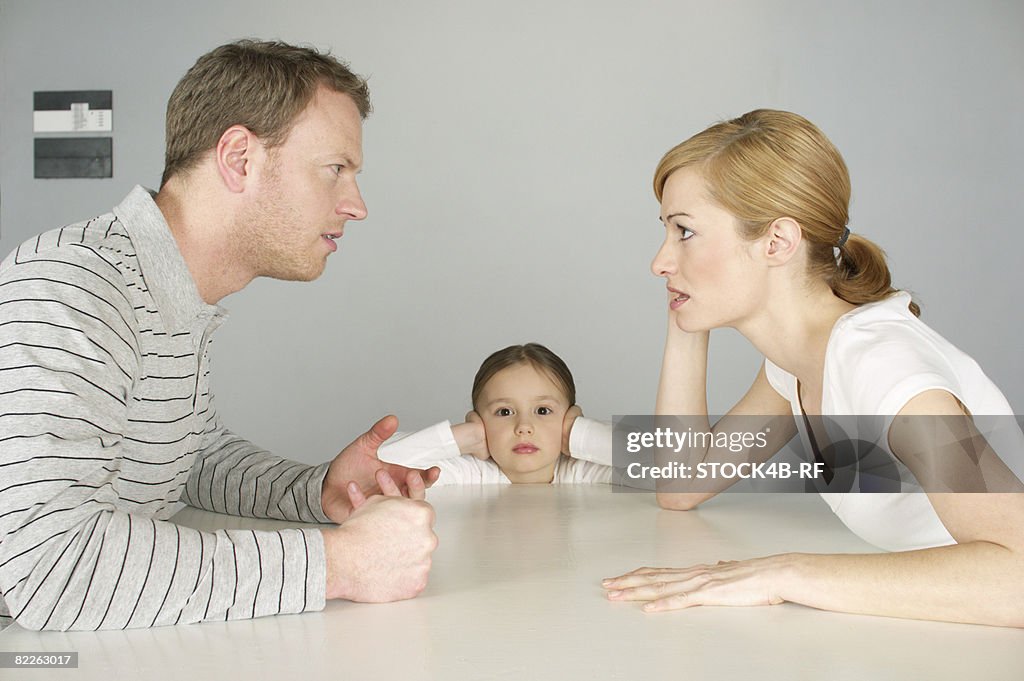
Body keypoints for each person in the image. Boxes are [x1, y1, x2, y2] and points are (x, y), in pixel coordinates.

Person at [0, 40, 440, 632]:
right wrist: (335, 564)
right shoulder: (69, 286)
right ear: (239, 158)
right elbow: (48, 569)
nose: (355, 205)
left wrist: (315, 490)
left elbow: (187, 456)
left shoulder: (169, 291)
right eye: (335, 169)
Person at [601, 109, 1024, 627]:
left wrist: (786, 574)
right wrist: (687, 315)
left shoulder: (883, 369)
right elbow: (682, 483)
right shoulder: (795, 363)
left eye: (684, 232)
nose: (659, 261)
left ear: (777, 242)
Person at [379, 343, 616, 485]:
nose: (524, 426)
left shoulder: (585, 473)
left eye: (543, 411)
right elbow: (375, 463)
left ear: (571, 420)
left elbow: (654, 461)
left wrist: (581, 436)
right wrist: (463, 438)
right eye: (504, 412)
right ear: (479, 423)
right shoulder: (469, 474)